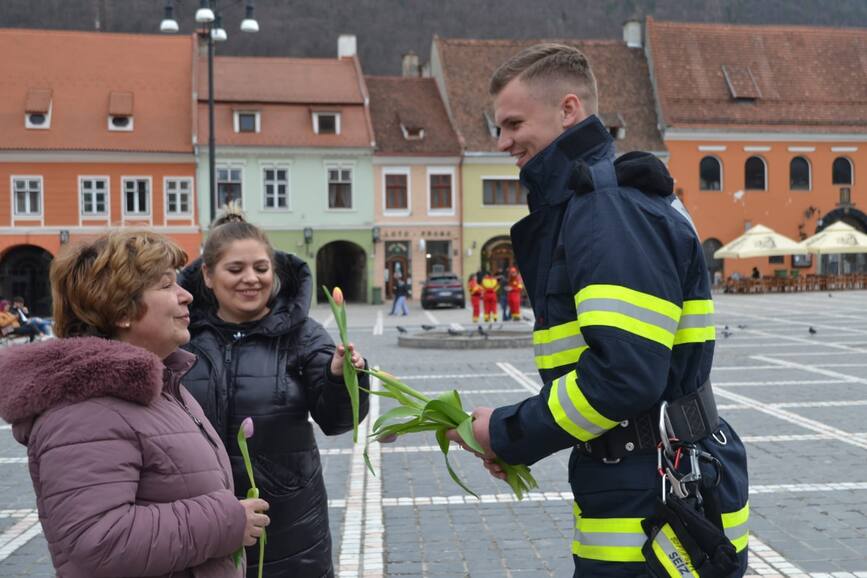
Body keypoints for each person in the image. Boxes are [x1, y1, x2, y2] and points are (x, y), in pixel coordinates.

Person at [448, 44, 749, 577]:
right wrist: (515, 436)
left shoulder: (606, 210)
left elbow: (623, 376)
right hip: (651, 474)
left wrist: (510, 431)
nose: (502, 142)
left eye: (514, 123)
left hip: (648, 488)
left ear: (568, 110)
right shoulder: (602, 203)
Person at [0, 230, 269, 577]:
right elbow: (98, 542)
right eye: (166, 285)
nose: (186, 295)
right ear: (121, 310)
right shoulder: (86, 409)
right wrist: (226, 521)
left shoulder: (160, 383)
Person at [179, 206, 369, 578]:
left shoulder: (303, 334)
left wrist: (342, 378)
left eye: (261, 269)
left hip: (289, 524)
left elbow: (338, 420)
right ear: (208, 275)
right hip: (202, 518)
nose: (251, 279)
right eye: (235, 270)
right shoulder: (182, 337)